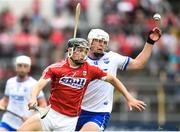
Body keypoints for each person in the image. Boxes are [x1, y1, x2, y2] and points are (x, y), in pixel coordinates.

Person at [18, 38, 146, 131]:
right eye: (79, 51)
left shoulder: (90, 70)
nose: (83, 54)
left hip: (69, 121)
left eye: (85, 51)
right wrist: (33, 98)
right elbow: (39, 85)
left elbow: (113, 79)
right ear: (70, 51)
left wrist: (129, 98)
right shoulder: (56, 68)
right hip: (50, 114)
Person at [75, 28, 162, 131]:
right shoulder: (79, 59)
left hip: (99, 113)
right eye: (98, 41)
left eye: (104, 42)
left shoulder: (112, 58)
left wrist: (150, 41)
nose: (101, 44)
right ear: (90, 42)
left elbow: (139, 63)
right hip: (76, 110)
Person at [0, 55, 47, 131]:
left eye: (25, 66)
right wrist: (1, 104)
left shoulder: (34, 84)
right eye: (20, 65)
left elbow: (43, 104)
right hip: (8, 121)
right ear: (16, 67)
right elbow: (5, 100)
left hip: (25, 124)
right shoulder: (10, 82)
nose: (22, 68)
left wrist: (32, 118)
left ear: (29, 68)